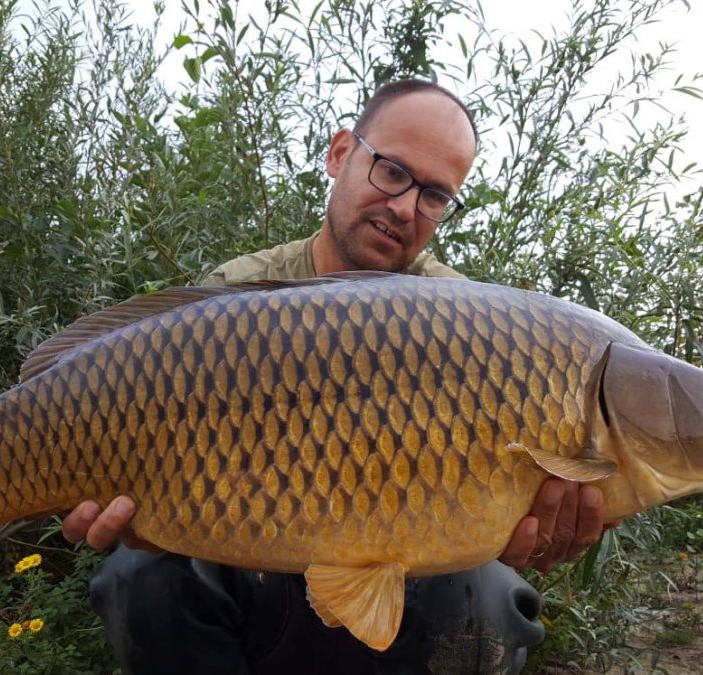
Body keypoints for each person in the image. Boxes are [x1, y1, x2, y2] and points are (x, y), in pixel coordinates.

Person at [62, 79, 609, 673]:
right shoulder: (239, 292)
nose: (405, 206)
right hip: (255, 546)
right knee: (142, 572)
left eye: (434, 195)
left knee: (489, 597)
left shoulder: (463, 316)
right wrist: (156, 515)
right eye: (393, 171)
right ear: (342, 153)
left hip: (402, 553)